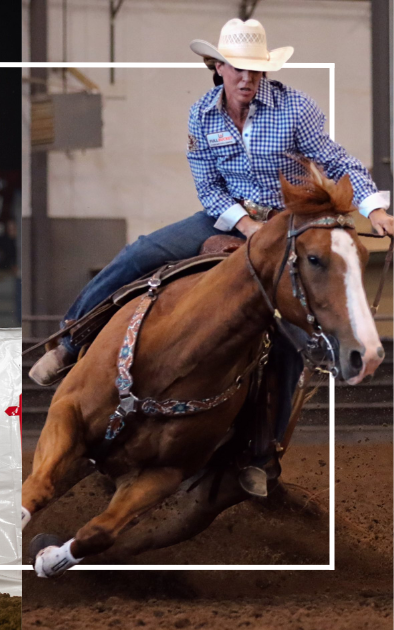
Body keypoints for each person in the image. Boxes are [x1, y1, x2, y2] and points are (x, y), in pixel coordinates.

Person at [28, 19, 393, 495]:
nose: (247, 78)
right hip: (227, 218)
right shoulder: (202, 115)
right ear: (217, 67)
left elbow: (337, 161)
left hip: (286, 227)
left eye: (255, 71)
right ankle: (70, 342)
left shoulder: (294, 108)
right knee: (139, 254)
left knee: (285, 337)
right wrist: (246, 227)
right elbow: (208, 187)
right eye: (237, 69)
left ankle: (260, 454)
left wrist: (375, 207)